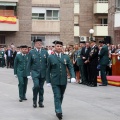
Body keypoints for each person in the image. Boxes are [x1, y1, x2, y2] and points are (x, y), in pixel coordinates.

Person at [46, 40, 76, 120]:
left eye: (60, 46)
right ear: (54, 47)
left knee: (61, 95)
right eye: (57, 46)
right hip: (54, 80)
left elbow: (70, 67)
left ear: (62, 47)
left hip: (63, 80)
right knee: (57, 95)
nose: (59, 48)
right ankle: (58, 111)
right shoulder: (50, 57)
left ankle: (58, 107)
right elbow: (48, 70)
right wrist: (48, 81)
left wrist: (73, 76)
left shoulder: (65, 57)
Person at [27, 39, 48, 108]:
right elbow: (29, 63)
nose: (39, 44)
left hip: (43, 72)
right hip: (35, 72)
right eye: (37, 43)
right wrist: (28, 73)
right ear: (35, 44)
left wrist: (49, 72)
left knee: (41, 87)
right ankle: (34, 101)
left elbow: (47, 63)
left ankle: (40, 102)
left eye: (40, 43)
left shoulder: (45, 52)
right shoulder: (31, 52)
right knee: (36, 86)